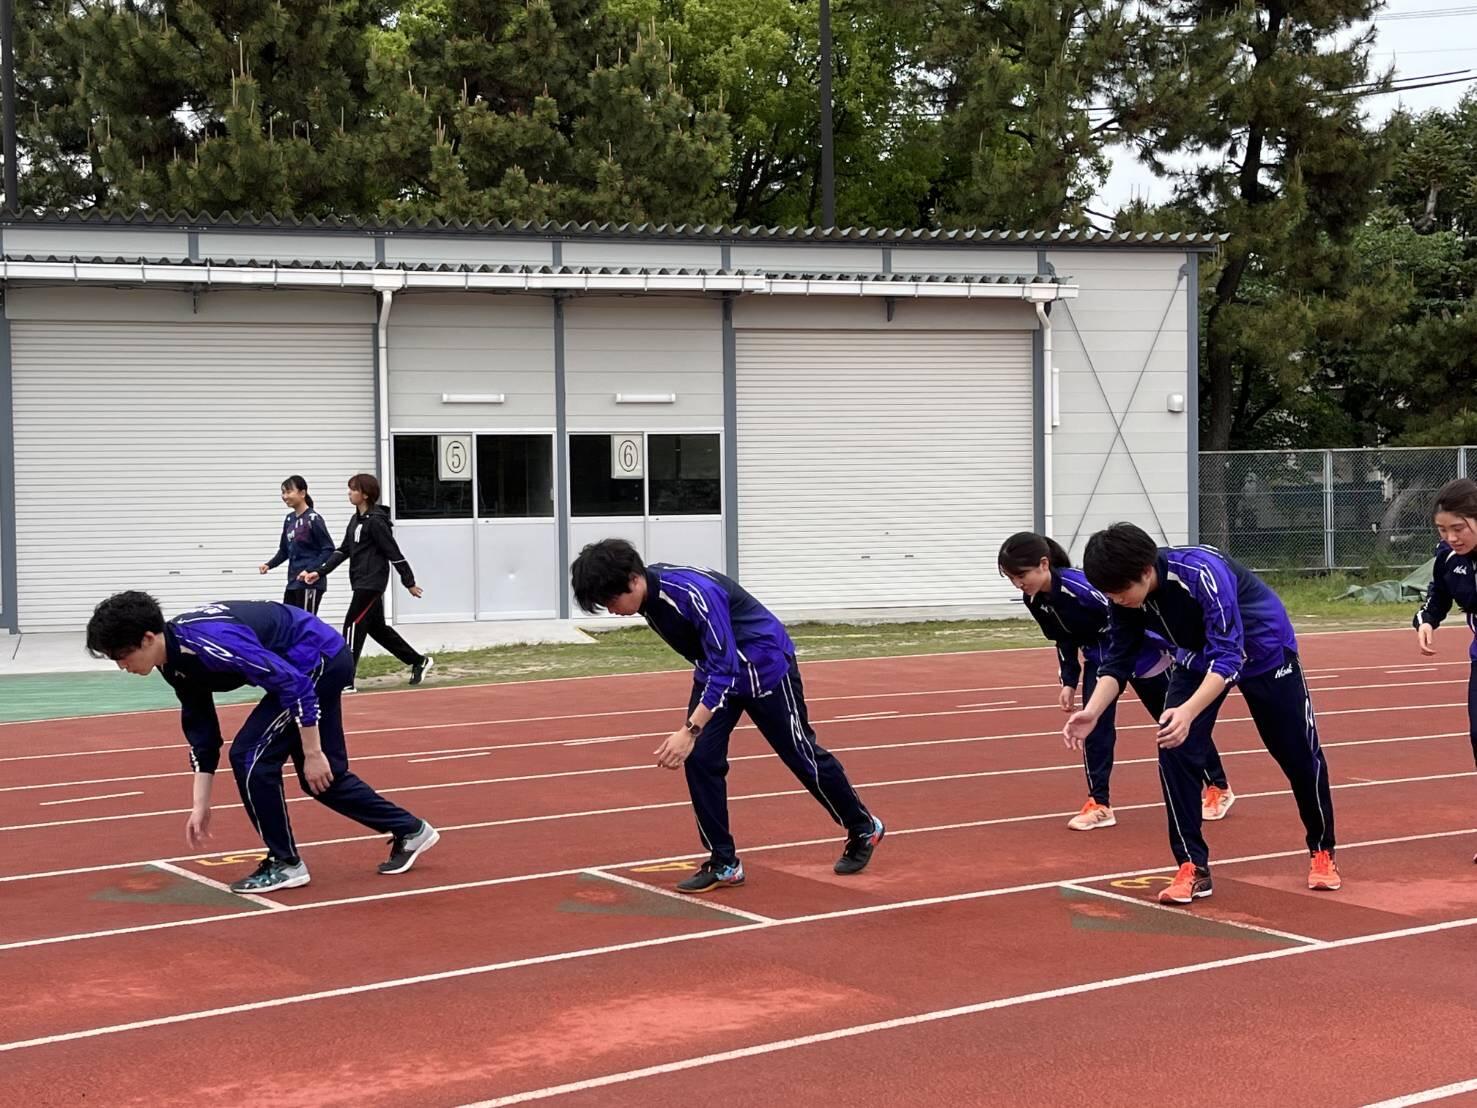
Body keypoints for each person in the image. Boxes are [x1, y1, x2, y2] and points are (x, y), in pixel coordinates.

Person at [570, 539, 884, 893]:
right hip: (719, 672)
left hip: (764, 667)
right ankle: (724, 862)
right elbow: (716, 664)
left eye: (611, 601)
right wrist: (695, 734)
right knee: (701, 760)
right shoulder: (648, 598)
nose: (612, 611)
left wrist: (689, 729)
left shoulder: (694, 594)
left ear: (633, 579)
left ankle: (862, 827)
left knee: (801, 755)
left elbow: (725, 666)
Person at [85, 591, 439, 893]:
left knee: (251, 755)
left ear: (148, 638)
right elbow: (203, 732)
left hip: (316, 659)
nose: (122, 666)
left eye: (122, 656)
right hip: (304, 665)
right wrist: (200, 804)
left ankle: (286, 863)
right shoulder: (173, 662)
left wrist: (312, 752)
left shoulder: (212, 642)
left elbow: (295, 686)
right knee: (322, 780)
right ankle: (410, 830)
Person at [1065, 523, 1340, 904]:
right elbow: (1118, 660)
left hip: (1263, 654)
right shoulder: (1123, 596)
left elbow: (1230, 656)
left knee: (1297, 755)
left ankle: (1322, 850)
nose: (1117, 600)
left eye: (1120, 592)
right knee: (1173, 747)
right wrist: (1092, 711)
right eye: (1109, 595)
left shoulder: (1202, 573)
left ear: (1146, 572)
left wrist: (1189, 711)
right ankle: (1192, 866)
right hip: (1196, 660)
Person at [998, 532, 1235, 831]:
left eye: (1021, 575)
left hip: (1143, 659)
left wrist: (1173, 650)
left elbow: (1135, 615)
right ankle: (1099, 803)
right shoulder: (1035, 600)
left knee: (1173, 722)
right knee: (1094, 728)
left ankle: (1217, 785)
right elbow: (1063, 637)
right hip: (1102, 664)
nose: (1018, 583)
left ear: (1043, 565)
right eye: (1011, 578)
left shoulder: (1080, 586)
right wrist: (1069, 679)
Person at [299, 473, 433, 692]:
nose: (349, 493)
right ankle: (418, 661)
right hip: (360, 581)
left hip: (371, 584)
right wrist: (319, 571)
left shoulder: (377, 522)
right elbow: (343, 550)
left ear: (366, 494)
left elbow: (393, 552)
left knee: (352, 625)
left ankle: (345, 679)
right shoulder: (355, 521)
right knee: (377, 629)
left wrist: (408, 581)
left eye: (353, 489)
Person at [1413, 476, 1477, 864]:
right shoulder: (1449, 559)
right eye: (1443, 529)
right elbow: (1440, 592)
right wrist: (1427, 620)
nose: (1452, 537)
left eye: (1459, 528)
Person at [259, 475, 335, 615]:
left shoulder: (313, 519)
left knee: (305, 624)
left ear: (302, 493)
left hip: (309, 581)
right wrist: (269, 564)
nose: (285, 496)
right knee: (289, 621)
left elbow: (328, 549)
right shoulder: (289, 519)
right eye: (283, 492)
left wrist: (310, 569)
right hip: (293, 582)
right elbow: (284, 551)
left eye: (288, 492)